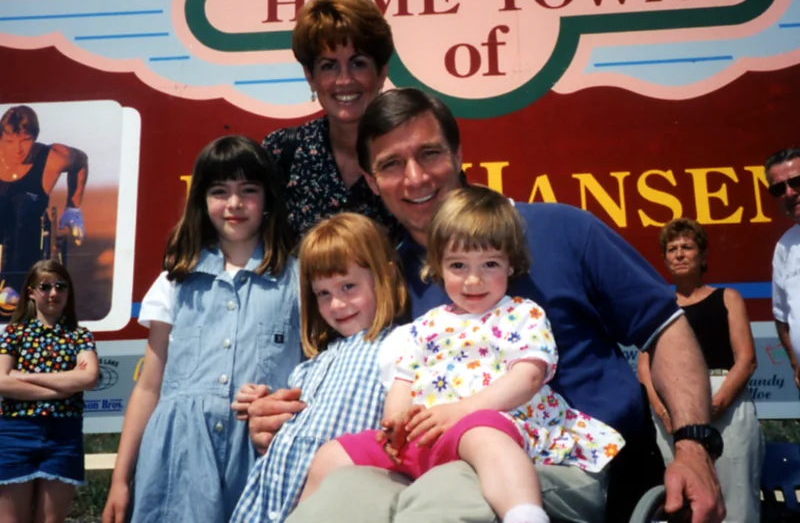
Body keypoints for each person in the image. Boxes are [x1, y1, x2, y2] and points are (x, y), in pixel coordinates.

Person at [249, 88, 726, 523]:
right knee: (338, 496)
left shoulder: (563, 230)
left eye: (429, 153)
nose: (414, 178)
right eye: (392, 165)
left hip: (565, 464)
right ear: (372, 182)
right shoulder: (384, 283)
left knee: (448, 496)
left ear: (458, 155)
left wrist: (693, 447)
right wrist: (282, 413)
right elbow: (352, 380)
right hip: (422, 461)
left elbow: (664, 328)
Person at [302, 187, 625, 523]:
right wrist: (395, 422)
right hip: (428, 438)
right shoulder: (424, 326)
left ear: (511, 264)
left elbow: (527, 376)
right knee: (332, 453)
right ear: (438, 266)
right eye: (458, 265)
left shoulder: (519, 314)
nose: (473, 279)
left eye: (489, 264)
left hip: (496, 424)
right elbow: (403, 380)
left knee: (483, 434)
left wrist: (462, 411)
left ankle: (524, 514)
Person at [101, 136, 301, 523]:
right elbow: (148, 386)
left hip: (264, 455)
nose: (235, 204)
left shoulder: (300, 279)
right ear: (201, 200)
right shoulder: (174, 281)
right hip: (179, 459)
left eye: (248, 191)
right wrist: (120, 480)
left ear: (269, 199)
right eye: (220, 191)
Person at [230, 212, 408, 523]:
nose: (336, 305)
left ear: (386, 276)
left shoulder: (401, 347)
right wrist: (264, 402)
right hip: (270, 508)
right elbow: (288, 437)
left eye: (348, 286)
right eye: (323, 293)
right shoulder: (311, 366)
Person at [638, 218, 763, 522]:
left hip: (726, 405)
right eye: (672, 249)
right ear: (665, 259)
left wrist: (714, 406)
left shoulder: (727, 298)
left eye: (687, 247)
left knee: (737, 501)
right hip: (671, 415)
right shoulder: (657, 306)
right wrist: (663, 412)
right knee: (683, 504)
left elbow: (746, 359)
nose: (679, 254)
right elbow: (644, 366)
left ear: (703, 256)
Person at [262, 0, 398, 239]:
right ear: (310, 77)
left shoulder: (411, 152)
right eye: (329, 66)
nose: (344, 80)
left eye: (358, 63)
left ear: (381, 72)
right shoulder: (282, 153)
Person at [0, 259, 99, 523]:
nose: (54, 293)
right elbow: (1, 382)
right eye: (45, 287)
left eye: (60, 286)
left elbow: (88, 377)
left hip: (63, 436)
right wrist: (61, 390)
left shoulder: (80, 336)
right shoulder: (13, 334)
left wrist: (26, 376)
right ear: (31, 292)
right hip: (15, 433)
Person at [0, 106, 89, 320]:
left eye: (26, 140)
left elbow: (81, 160)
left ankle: (14, 284)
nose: (19, 149)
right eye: (10, 142)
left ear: (35, 137)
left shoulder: (55, 156)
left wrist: (73, 206)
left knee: (24, 205)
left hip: (27, 224)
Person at [765, 147, 800, 390]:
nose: (789, 192)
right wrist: (794, 363)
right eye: (779, 188)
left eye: (797, 181)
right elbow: (782, 317)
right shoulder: (784, 246)